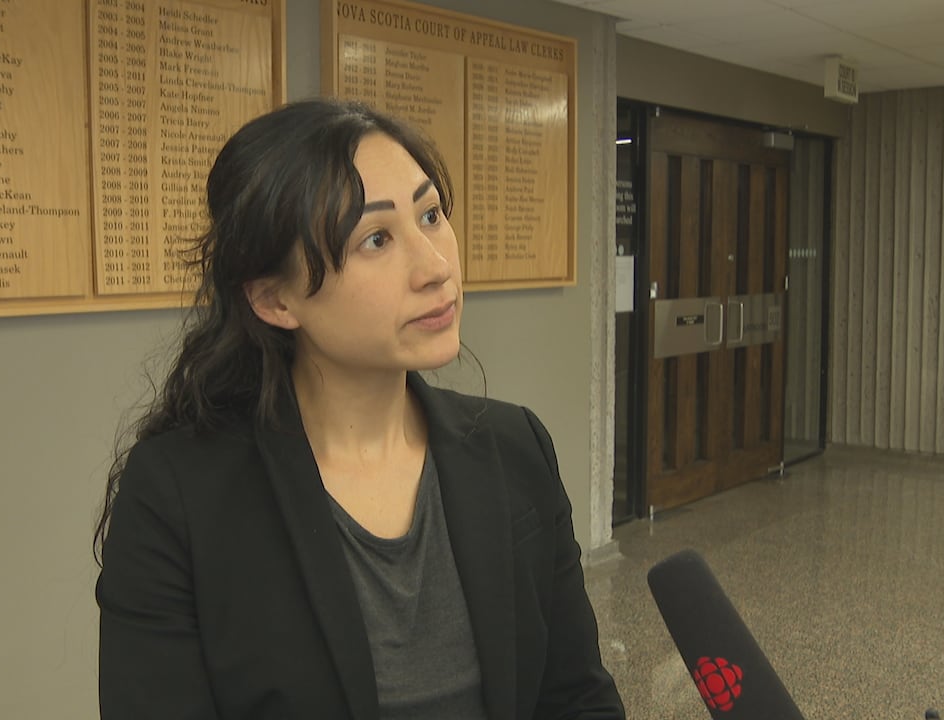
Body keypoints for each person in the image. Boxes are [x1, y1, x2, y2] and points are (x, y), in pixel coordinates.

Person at [93, 98, 625, 720]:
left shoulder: (515, 446)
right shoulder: (178, 494)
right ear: (274, 299)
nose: (436, 267)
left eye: (431, 215)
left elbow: (578, 698)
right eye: (376, 238)